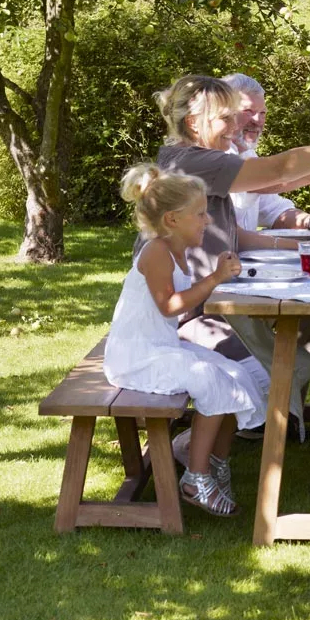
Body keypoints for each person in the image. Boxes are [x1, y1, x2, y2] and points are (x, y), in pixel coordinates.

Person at [152, 74, 310, 439]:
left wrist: (306, 245)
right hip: (188, 314)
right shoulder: (195, 162)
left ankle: (272, 421)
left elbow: (235, 229)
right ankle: (196, 446)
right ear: (193, 123)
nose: (235, 126)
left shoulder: (195, 160)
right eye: (226, 117)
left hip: (212, 297)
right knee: (269, 373)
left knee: (305, 318)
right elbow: (280, 171)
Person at [105, 164, 265, 517]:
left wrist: (216, 277)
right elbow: (169, 306)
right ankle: (195, 478)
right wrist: (215, 279)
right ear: (172, 219)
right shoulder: (155, 252)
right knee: (208, 378)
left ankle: (215, 462)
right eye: (201, 214)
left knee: (237, 374)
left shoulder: (176, 251)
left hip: (162, 347)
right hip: (137, 356)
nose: (208, 221)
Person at [222, 73, 310, 235]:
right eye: (248, 111)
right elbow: (277, 177)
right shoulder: (213, 156)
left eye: (263, 113)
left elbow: (274, 210)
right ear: (224, 113)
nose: (258, 120)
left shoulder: (248, 154)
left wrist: (309, 221)